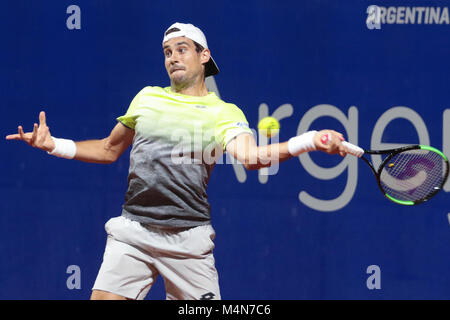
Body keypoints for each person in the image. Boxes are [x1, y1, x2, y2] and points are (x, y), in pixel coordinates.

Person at [5, 22, 348, 300]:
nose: (173, 58)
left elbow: (253, 158)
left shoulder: (223, 112)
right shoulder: (146, 98)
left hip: (188, 242)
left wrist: (309, 140)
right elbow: (110, 150)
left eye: (182, 49)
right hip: (133, 232)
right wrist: (54, 145)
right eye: (168, 52)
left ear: (204, 56)